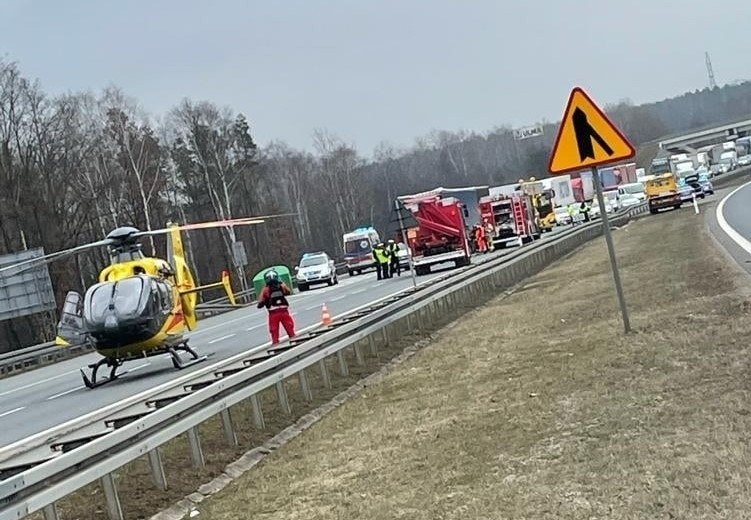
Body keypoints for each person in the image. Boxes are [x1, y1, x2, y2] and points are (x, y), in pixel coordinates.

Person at [256, 270, 295, 345]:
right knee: (289, 327)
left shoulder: (266, 289)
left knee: (274, 330)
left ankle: (275, 343)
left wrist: (261, 304)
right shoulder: (281, 286)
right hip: (284, 311)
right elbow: (288, 292)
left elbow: (260, 302)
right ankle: (293, 339)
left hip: (273, 313)